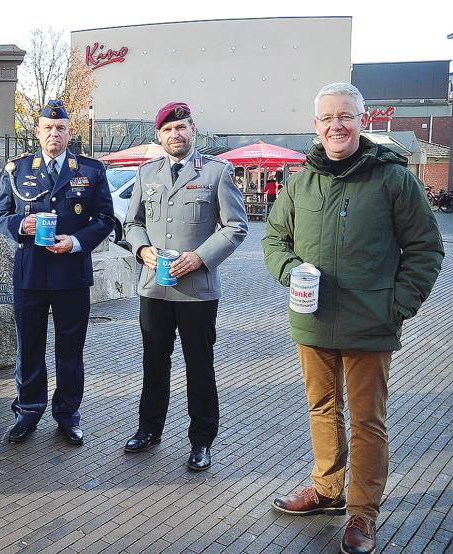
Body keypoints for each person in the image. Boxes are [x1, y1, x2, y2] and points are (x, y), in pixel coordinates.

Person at [262, 83, 443, 554]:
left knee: (367, 421)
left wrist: (397, 305)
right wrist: (288, 270)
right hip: (312, 319)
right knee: (322, 408)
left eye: (346, 116)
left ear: (363, 120)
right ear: (316, 125)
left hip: (371, 321)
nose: (336, 125)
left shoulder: (393, 179)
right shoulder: (300, 179)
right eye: (327, 118)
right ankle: (325, 489)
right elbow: (274, 239)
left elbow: (426, 248)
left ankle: (362, 511)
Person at [122, 102, 248, 471]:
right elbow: (132, 223)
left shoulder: (215, 172)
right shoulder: (147, 173)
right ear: (158, 136)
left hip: (197, 289)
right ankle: (149, 430)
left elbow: (236, 226)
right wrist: (143, 248)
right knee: (154, 363)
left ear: (192, 129)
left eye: (180, 127)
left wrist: (200, 257)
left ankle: (202, 440)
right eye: (167, 130)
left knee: (199, 365)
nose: (174, 134)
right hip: (155, 288)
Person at [0, 99, 115, 446]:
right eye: (47, 127)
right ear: (37, 131)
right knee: (29, 348)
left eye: (60, 128)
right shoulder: (17, 170)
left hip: (71, 273)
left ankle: (67, 415)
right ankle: (28, 412)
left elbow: (106, 220)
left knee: (70, 351)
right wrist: (21, 224)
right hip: (30, 274)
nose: (54, 134)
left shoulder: (90, 171)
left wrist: (76, 241)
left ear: (69, 132)